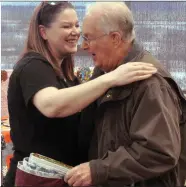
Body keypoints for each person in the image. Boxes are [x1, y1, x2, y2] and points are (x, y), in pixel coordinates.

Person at [4, 1, 157, 187]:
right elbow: (52, 105)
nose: (75, 32)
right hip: (38, 180)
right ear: (43, 32)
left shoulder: (67, 76)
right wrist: (111, 79)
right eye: (66, 26)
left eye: (77, 25)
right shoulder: (32, 66)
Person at [64, 2, 186, 187]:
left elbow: (159, 151)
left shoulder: (150, 84)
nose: (84, 46)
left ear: (115, 38)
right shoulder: (105, 74)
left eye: (89, 38)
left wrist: (99, 170)